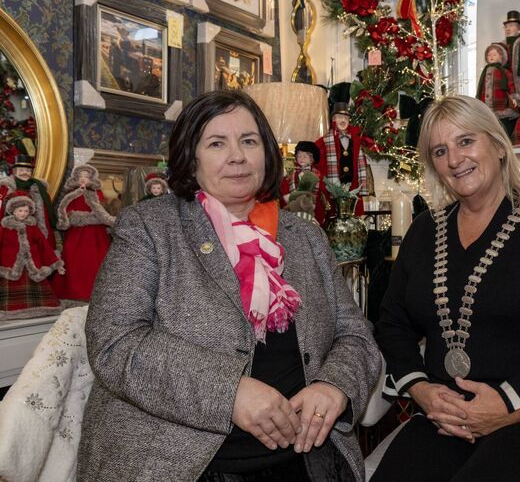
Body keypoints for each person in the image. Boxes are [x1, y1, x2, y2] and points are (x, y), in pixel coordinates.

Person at [78, 91, 381, 481]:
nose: (237, 156)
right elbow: (115, 341)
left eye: (249, 141)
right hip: (180, 463)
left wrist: (333, 386)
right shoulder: (150, 227)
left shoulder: (305, 236)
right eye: (217, 143)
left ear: (267, 153)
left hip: (305, 458)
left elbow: (354, 334)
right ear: (192, 157)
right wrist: (229, 392)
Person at [373, 95, 520, 481]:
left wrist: (508, 403)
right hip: (446, 416)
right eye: (440, 150)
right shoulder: (424, 230)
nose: (454, 159)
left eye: (466, 141)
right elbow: (392, 325)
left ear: (498, 146)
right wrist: (421, 389)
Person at [50, 164, 116, 302]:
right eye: (80, 176)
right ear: (75, 178)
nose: (83, 179)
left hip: (95, 233)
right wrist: (74, 218)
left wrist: (99, 219)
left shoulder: (97, 194)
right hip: (77, 232)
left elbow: (102, 211)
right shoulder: (71, 194)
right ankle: (73, 290)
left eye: (86, 177)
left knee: (96, 258)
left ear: (91, 179)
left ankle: (98, 291)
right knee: (74, 258)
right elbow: (65, 211)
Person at [0, 193, 64, 319]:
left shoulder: (33, 228)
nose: (23, 213)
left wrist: (56, 264)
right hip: (11, 266)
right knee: (11, 287)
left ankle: (38, 309)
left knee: (36, 285)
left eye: (26, 211)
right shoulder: (5, 228)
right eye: (20, 210)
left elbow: (44, 246)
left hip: (32, 266)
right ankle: (10, 310)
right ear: (13, 211)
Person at [315, 103, 369, 215]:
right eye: (340, 117)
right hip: (333, 191)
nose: (343, 120)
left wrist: (362, 188)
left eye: (346, 118)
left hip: (352, 190)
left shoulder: (356, 141)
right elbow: (317, 166)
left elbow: (361, 166)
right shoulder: (324, 142)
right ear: (334, 119)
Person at [0, 155, 57, 249]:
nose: (25, 173)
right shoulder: (6, 187)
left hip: (34, 227)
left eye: (27, 171)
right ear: (15, 171)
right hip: (12, 228)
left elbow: (46, 211)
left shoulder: (38, 187)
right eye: (21, 170)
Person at [476, 42, 519, 138]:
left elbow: (511, 85)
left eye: (494, 54)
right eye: (489, 55)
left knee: (502, 126)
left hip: (500, 105)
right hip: (485, 105)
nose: (491, 56)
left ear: (501, 57)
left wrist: (514, 97)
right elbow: (480, 89)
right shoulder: (485, 72)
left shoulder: (504, 72)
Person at [502, 10, 520, 99]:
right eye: (506, 27)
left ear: (519, 29)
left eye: (511, 26)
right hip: (507, 83)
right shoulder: (501, 46)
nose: (507, 29)